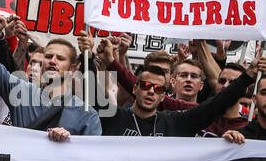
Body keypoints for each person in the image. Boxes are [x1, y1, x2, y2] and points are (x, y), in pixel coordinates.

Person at [0, 0, 100, 139]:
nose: (52, 61)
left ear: (73, 68)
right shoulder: (21, 93)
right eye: (48, 56)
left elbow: (92, 159)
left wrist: (70, 142)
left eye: (60, 58)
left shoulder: (87, 114)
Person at [98, 52, 266, 138]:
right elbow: (90, 97)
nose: (151, 91)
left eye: (158, 89)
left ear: (164, 95)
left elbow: (215, 105)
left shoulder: (175, 122)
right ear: (135, 89)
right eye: (146, 86)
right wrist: (89, 56)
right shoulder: (113, 116)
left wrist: (248, 76)